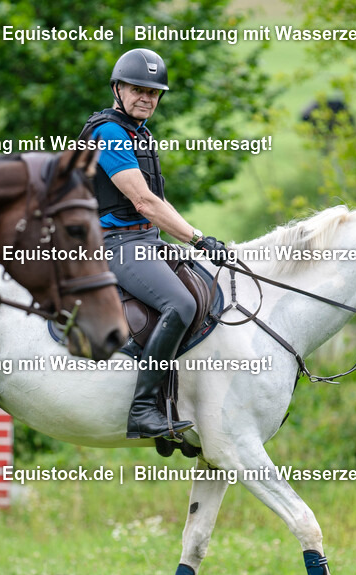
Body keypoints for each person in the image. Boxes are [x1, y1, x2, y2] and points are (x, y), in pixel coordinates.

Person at [79, 48, 229, 440]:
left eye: (154, 92)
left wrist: (196, 239)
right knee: (180, 304)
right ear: (118, 88)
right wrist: (196, 238)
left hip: (144, 239)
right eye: (137, 89)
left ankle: (175, 401)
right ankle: (144, 409)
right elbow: (143, 202)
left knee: (206, 287)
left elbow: (156, 199)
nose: (147, 97)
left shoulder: (139, 134)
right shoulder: (108, 132)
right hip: (113, 244)